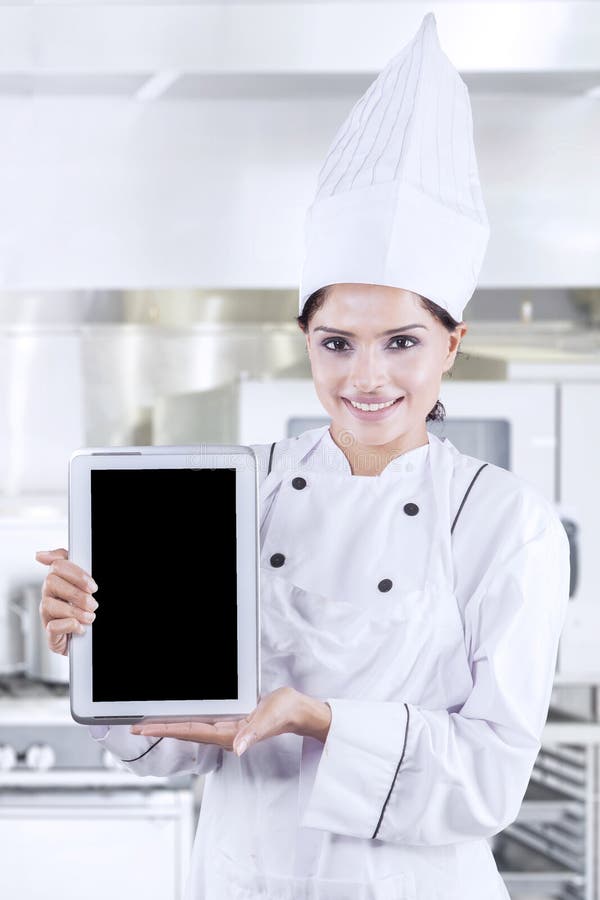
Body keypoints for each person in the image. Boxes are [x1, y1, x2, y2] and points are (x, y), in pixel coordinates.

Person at [36, 13, 570, 900]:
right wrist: (98, 648)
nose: (366, 378)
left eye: (401, 342)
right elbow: (164, 746)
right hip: (242, 878)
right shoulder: (230, 490)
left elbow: (491, 777)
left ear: (453, 343)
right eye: (337, 344)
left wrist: (320, 719)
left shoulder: (504, 522)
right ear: (305, 342)